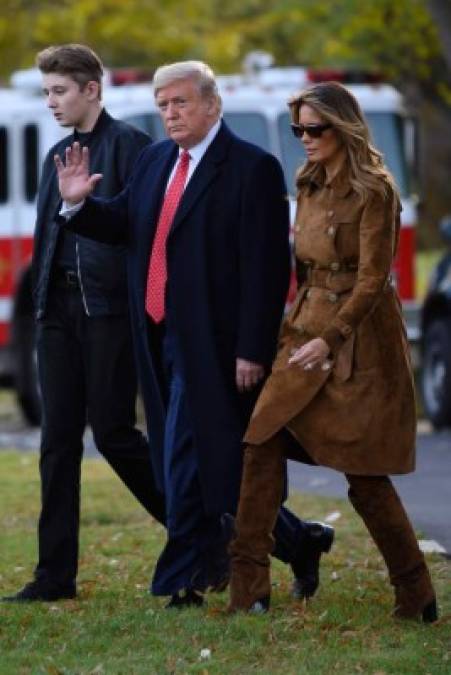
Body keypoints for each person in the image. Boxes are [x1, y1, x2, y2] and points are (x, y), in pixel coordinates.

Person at [52, 61, 334, 609]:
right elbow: (126, 226)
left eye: (180, 103)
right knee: (201, 463)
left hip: (216, 344)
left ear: (212, 104)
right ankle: (301, 542)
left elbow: (267, 269)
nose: (170, 114)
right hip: (155, 333)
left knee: (183, 458)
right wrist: (78, 204)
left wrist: (253, 348)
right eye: (162, 106)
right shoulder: (156, 160)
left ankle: (185, 579)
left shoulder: (251, 168)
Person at [228, 81, 438, 623]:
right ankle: (247, 592)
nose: (304, 138)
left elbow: (373, 280)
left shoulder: (376, 190)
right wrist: (294, 329)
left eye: (314, 128)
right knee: (260, 442)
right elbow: (303, 267)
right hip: (304, 329)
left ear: (343, 127)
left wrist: (332, 337)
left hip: (358, 340)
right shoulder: (308, 181)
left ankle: (416, 595)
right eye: (298, 128)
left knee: (364, 475)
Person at [3, 44, 165, 603]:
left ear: (92, 89)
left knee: (117, 435)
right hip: (59, 315)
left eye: (60, 91)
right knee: (57, 442)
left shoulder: (134, 149)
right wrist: (44, 308)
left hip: (110, 313)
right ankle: (54, 576)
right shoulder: (58, 154)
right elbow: (51, 240)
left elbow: (135, 235)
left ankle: (201, 536)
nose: (51, 102)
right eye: (46, 92)